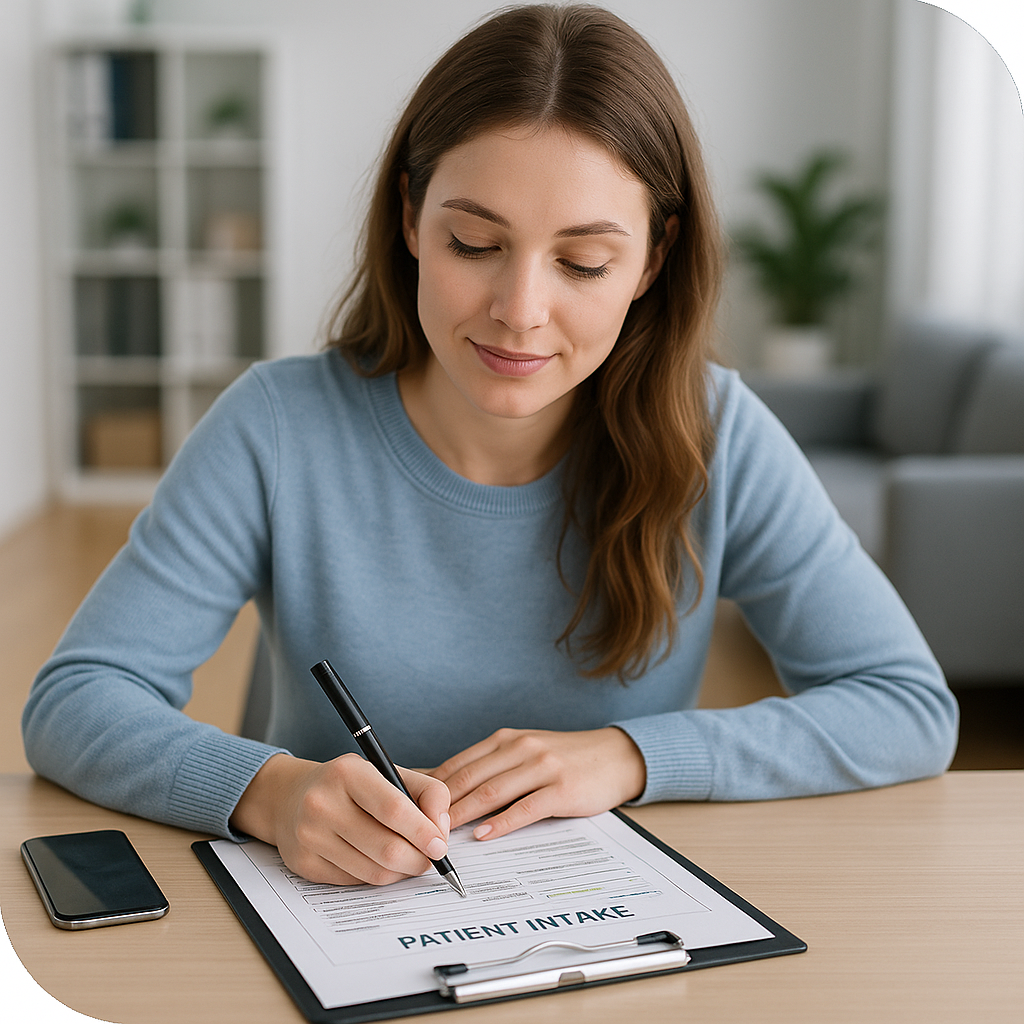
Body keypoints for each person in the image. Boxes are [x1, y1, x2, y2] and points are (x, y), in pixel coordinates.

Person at [24, 4, 957, 889]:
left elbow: (905, 705)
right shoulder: (276, 427)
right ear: (410, 218)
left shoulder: (718, 435)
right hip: (338, 923)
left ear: (653, 259)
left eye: (584, 262)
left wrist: (633, 757)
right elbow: (78, 699)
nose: (520, 311)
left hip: (610, 933)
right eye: (474, 244)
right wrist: (268, 792)